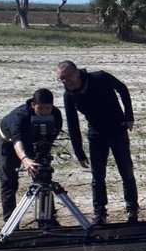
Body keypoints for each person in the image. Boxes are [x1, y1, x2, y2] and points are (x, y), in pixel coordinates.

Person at [56, 60, 139, 225]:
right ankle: (100, 213)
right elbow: (73, 124)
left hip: (118, 129)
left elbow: (122, 89)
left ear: (76, 72)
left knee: (126, 172)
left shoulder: (100, 77)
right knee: (97, 177)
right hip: (96, 135)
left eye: (66, 78)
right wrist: (79, 152)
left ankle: (132, 210)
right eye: (60, 79)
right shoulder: (69, 94)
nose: (64, 82)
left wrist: (129, 117)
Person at [0, 88, 62, 223]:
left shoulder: (56, 115)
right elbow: (17, 141)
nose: (44, 112)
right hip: (9, 143)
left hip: (34, 142)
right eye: (40, 108)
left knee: (42, 178)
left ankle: (47, 220)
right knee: (9, 181)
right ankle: (11, 222)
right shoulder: (19, 117)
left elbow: (50, 137)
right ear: (33, 105)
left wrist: (41, 154)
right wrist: (26, 160)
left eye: (48, 108)